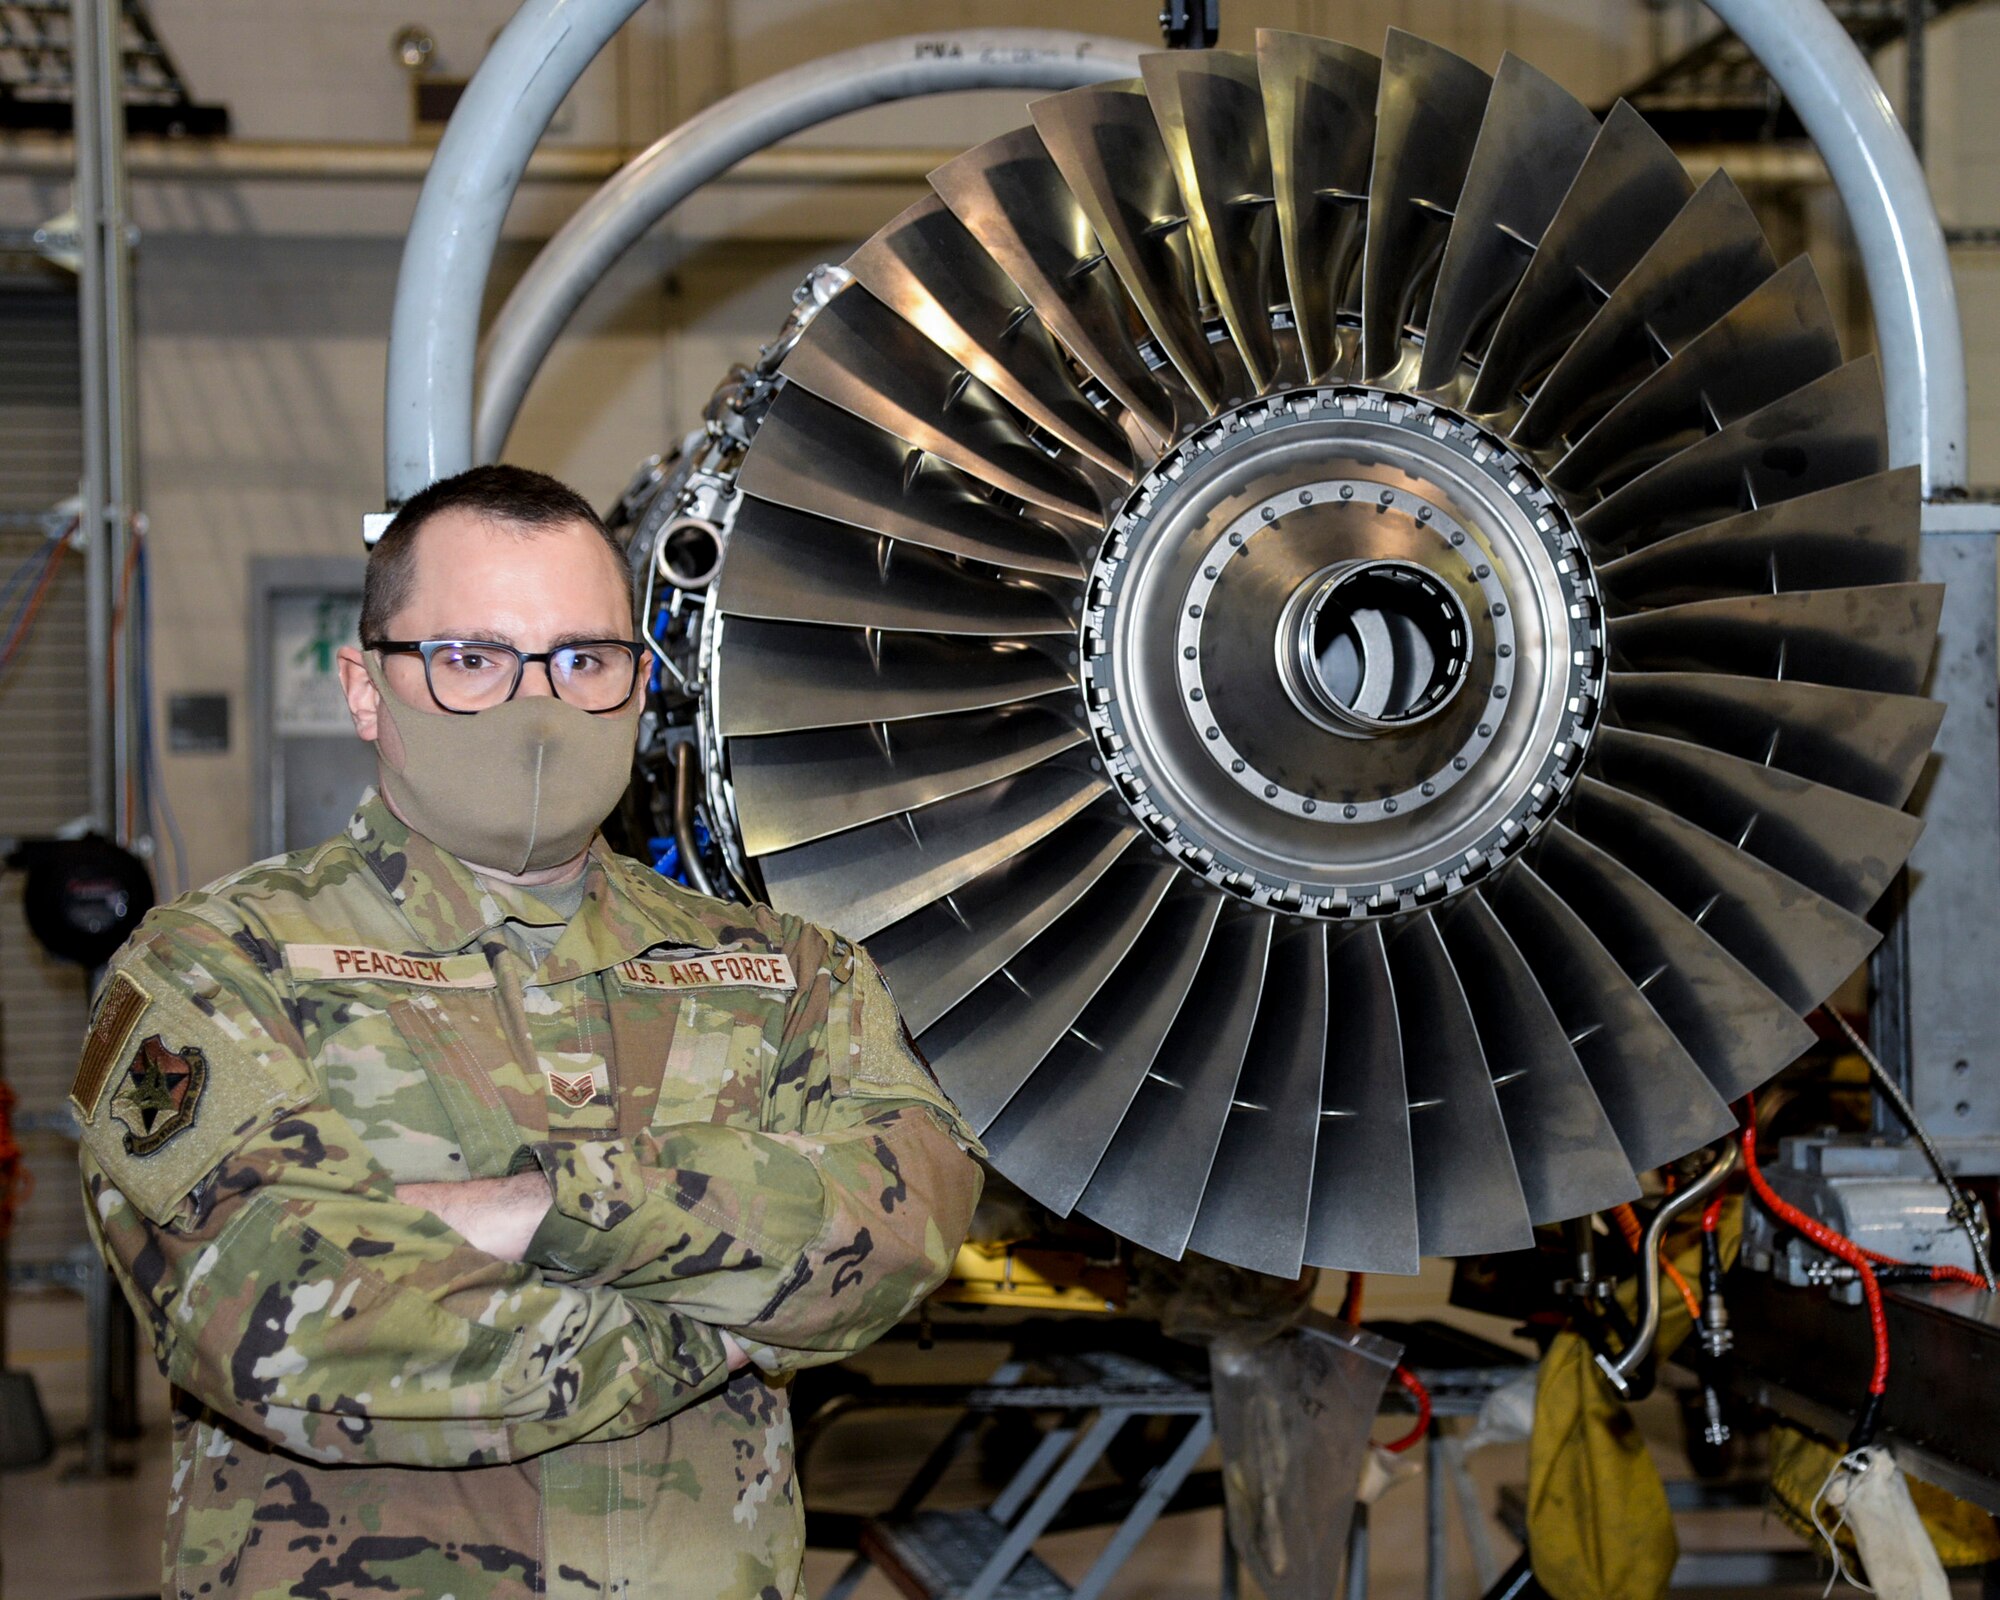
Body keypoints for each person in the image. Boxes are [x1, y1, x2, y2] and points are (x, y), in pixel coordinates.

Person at [72, 464, 983, 1600]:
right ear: (367, 688)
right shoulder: (219, 965)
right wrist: (726, 1327)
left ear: (638, 685)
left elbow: (907, 1224)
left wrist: (545, 1207)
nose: (537, 705)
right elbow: (282, 1327)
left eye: (582, 660)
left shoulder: (781, 969)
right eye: (470, 660)